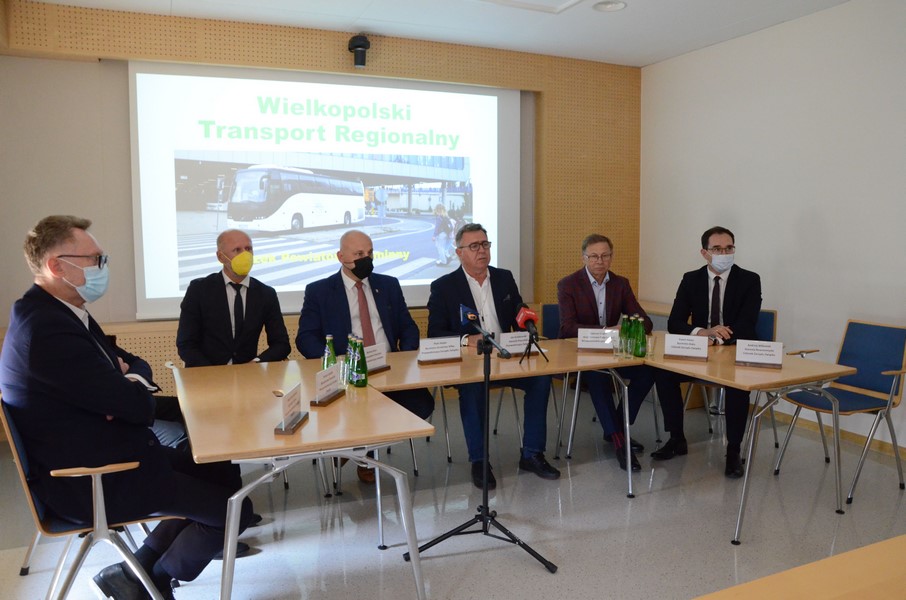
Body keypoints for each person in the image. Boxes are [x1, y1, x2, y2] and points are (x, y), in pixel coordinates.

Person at [0, 216, 252, 600]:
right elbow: (136, 405)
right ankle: (154, 581)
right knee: (237, 511)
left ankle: (132, 574)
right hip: (95, 478)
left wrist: (128, 378)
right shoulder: (47, 329)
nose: (102, 268)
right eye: (94, 260)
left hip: (115, 454)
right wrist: (128, 385)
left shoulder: (61, 312)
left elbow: (133, 364)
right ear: (56, 266)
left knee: (219, 471)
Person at [427, 223, 560, 489]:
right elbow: (435, 332)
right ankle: (480, 461)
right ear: (459, 252)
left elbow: (519, 312)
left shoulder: (504, 278)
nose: (482, 251)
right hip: (470, 362)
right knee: (473, 388)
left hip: (505, 357)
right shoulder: (444, 286)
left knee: (541, 380)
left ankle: (532, 453)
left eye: (485, 244)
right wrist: (466, 339)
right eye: (474, 246)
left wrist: (526, 329)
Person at [296, 230, 434, 483]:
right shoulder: (319, 291)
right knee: (354, 406)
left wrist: (403, 358)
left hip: (388, 369)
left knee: (422, 403)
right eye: (359, 254)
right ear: (341, 257)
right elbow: (306, 338)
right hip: (345, 375)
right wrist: (335, 363)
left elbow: (408, 327)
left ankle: (358, 448)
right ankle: (366, 453)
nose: (366, 259)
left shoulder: (389, 285)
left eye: (369, 253)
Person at [652, 226, 762, 479]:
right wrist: (702, 332)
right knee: (664, 375)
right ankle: (676, 438)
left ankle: (733, 450)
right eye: (717, 249)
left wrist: (718, 337)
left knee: (737, 386)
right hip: (701, 353)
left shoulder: (749, 279)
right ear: (704, 253)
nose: (724, 253)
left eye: (729, 248)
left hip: (734, 350)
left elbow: (747, 324)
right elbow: (675, 322)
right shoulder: (691, 279)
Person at [557, 233, 658, 471]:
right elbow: (567, 328)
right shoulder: (568, 284)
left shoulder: (620, 284)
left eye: (605, 256)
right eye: (593, 256)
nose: (599, 261)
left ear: (611, 257)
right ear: (584, 258)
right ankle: (620, 443)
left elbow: (646, 322)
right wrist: (606, 331)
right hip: (582, 353)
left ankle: (616, 428)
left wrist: (629, 326)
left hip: (614, 352)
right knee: (598, 375)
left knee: (649, 371)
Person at [176, 229, 290, 367]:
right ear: (220, 257)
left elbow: (281, 344)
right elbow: (186, 344)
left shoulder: (266, 293)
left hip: (248, 374)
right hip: (207, 373)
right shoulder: (199, 290)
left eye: (248, 249)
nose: (245, 255)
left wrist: (256, 363)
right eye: (237, 250)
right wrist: (212, 372)